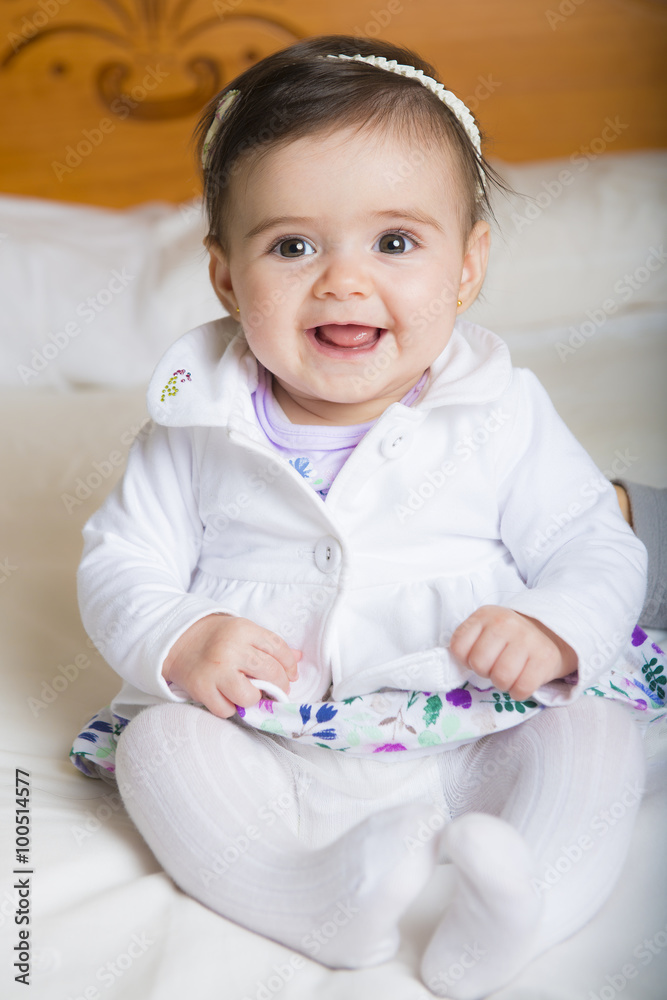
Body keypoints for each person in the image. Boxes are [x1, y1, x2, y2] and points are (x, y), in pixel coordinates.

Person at [71, 35, 666, 1000]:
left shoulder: (500, 409)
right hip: (270, 734)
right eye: (292, 245)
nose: (344, 280)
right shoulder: (191, 421)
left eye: (394, 242)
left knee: (592, 730)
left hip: (475, 711)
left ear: (467, 266)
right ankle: (309, 893)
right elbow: (119, 563)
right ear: (225, 277)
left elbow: (590, 541)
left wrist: (555, 629)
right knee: (158, 750)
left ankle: (521, 903)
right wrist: (182, 637)